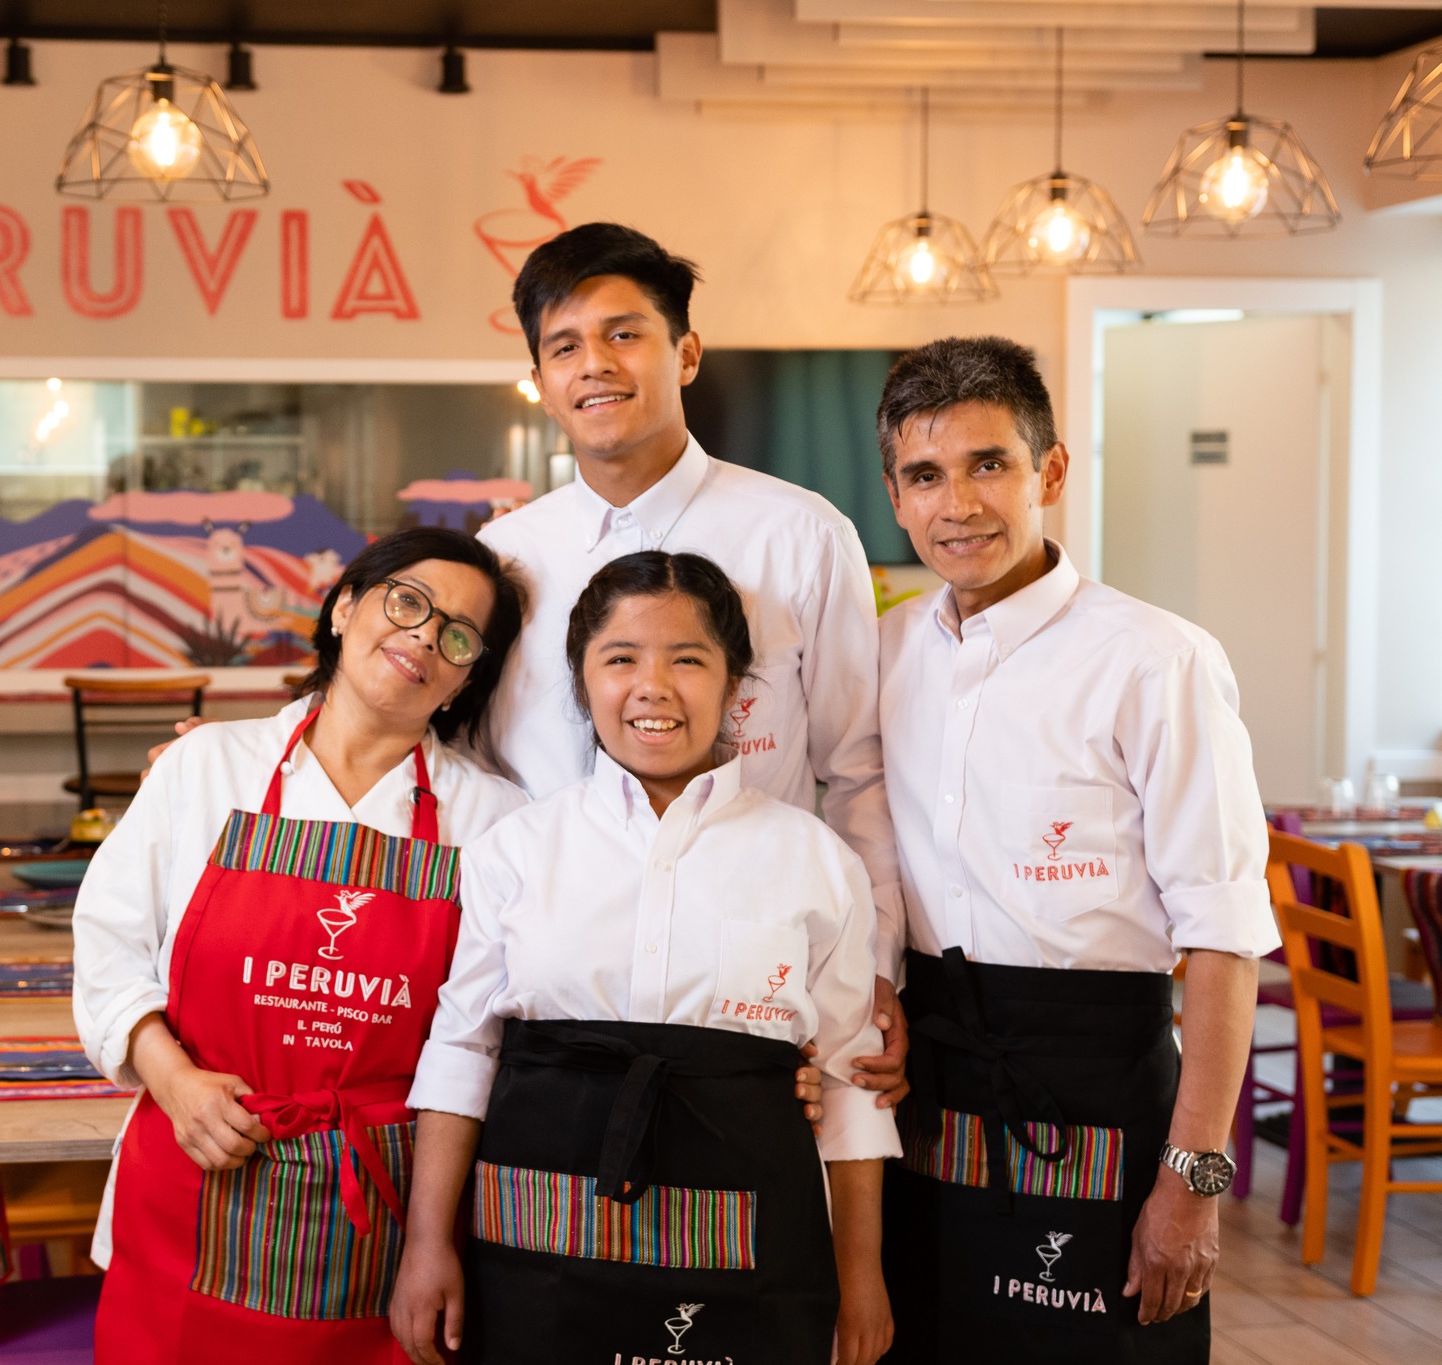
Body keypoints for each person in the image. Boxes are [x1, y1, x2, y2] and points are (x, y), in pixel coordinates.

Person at [871, 337, 1277, 1365]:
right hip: (934, 1089)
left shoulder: (1157, 660)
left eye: (988, 464)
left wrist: (1194, 1184)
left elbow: (1225, 938)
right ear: (895, 496)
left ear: (1048, 471)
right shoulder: (882, 654)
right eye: (926, 475)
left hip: (1104, 1085)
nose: (959, 504)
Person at [391, 551, 899, 1365]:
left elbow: (848, 1080)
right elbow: (463, 1051)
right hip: (539, 1235)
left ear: (736, 686)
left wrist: (862, 1273)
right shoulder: (517, 849)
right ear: (582, 680)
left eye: (687, 659)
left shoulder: (815, 859)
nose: (652, 687)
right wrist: (426, 1244)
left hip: (751, 1245)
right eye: (620, 658)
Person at [69, 527, 532, 1363]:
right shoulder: (206, 766)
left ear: (468, 677)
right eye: (408, 602)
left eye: (459, 635)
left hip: (382, 1216)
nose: (426, 636)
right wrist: (174, 1082)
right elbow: (108, 947)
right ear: (344, 607)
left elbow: (482, 1041)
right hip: (195, 1169)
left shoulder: (496, 822)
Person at [479, 222, 910, 1101]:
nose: (595, 364)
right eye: (565, 346)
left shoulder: (801, 534)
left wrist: (875, 960)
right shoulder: (505, 558)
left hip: (744, 986)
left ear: (686, 353)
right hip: (549, 990)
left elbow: (857, 768)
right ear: (541, 381)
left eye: (623, 333)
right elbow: (468, 766)